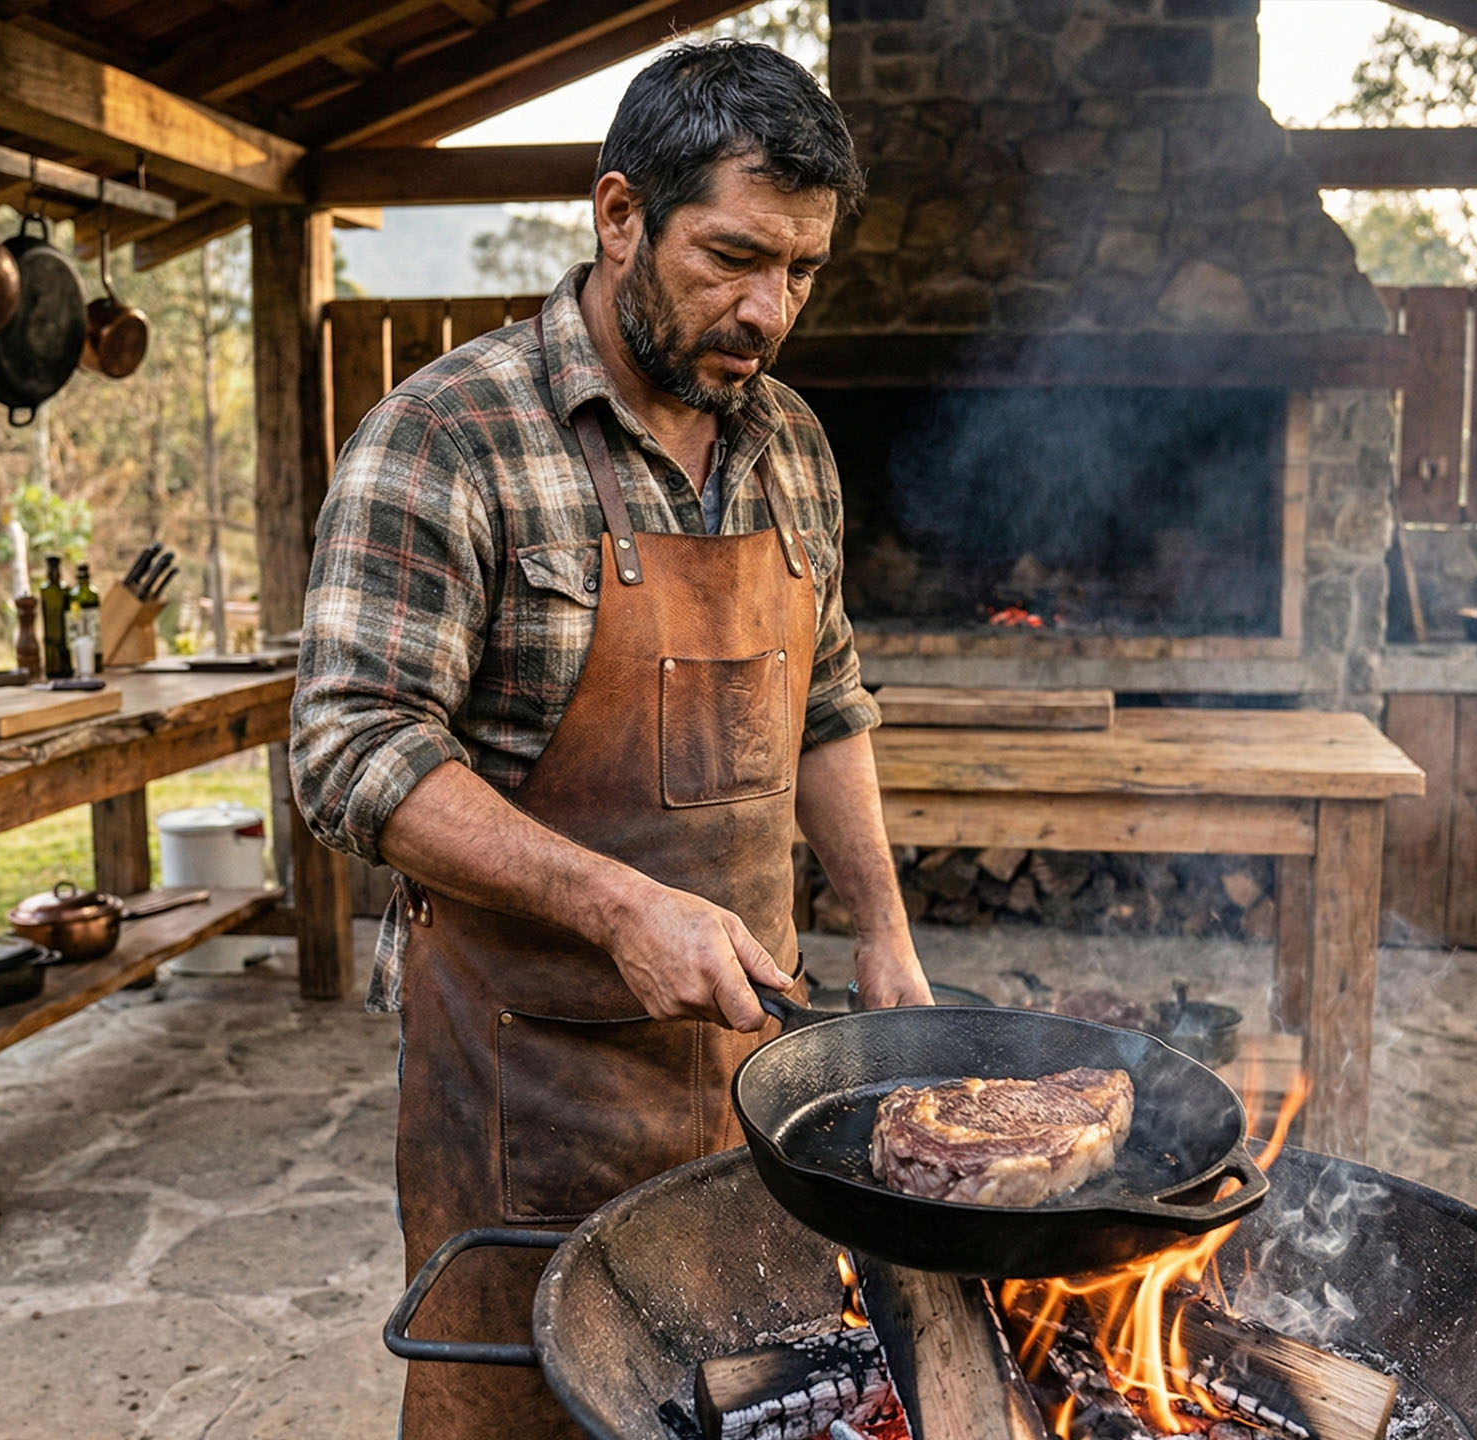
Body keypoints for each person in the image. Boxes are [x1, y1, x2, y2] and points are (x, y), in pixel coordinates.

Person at [290, 39, 931, 1440]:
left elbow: (828, 697)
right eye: (733, 257)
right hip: (525, 1088)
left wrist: (881, 927)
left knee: (746, 1403)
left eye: (803, 272)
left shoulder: (793, 446)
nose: (768, 309)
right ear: (621, 214)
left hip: (755, 1079)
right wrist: (618, 903)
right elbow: (349, 751)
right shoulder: (444, 438)